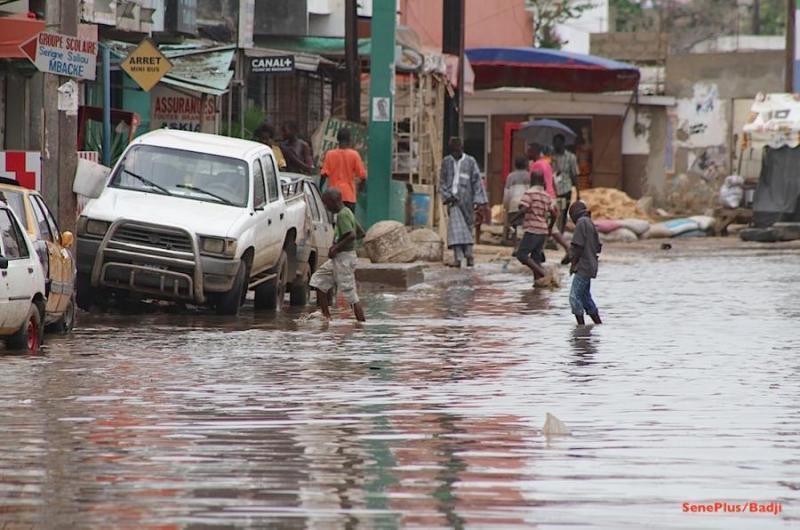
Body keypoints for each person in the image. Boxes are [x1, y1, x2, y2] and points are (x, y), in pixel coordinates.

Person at [310, 188, 366, 322]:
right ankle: (326, 317)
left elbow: (352, 235)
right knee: (318, 281)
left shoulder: (342, 215)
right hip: (339, 258)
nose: (326, 207)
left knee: (350, 294)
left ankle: (361, 324)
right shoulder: (347, 212)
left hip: (344, 259)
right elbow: (360, 232)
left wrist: (336, 248)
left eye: (326, 204)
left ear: (332, 202)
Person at [439, 137, 488, 268]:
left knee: (467, 227)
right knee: (455, 229)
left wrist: (479, 201)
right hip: (453, 200)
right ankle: (458, 258)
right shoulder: (446, 162)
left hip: (468, 200)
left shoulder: (470, 162)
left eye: (457, 150)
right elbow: (442, 181)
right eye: (453, 150)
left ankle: (469, 254)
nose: (455, 153)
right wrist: (447, 196)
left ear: (461, 148)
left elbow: (477, 182)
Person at [516, 169, 559, 287]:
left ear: (532, 180)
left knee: (522, 255)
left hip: (532, 230)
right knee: (536, 259)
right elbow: (554, 214)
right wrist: (550, 227)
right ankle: (538, 286)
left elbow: (524, 209)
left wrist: (513, 219)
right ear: (543, 182)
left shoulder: (529, 193)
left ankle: (544, 274)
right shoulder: (546, 196)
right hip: (543, 231)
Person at [568, 200, 602, 326]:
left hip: (583, 266)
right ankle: (598, 324)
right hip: (591, 266)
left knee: (574, 297)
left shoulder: (581, 222)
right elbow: (597, 247)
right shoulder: (589, 223)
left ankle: (580, 327)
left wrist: (573, 264)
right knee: (585, 297)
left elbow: (579, 246)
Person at [320, 128, 366, 212]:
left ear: (337, 139)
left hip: (332, 197)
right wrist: (359, 190)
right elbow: (363, 176)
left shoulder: (330, 154)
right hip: (349, 197)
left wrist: (320, 190)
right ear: (349, 140)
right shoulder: (354, 155)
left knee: (332, 223)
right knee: (347, 221)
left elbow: (324, 175)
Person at [552, 133, 580, 233]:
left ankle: (561, 231)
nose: (556, 146)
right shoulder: (552, 157)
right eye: (554, 143)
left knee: (563, 211)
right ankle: (553, 231)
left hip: (566, 188)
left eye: (558, 143)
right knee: (554, 211)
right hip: (553, 188)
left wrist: (578, 192)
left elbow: (575, 174)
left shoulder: (571, 157)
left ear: (563, 143)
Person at [503, 156, 531, 244]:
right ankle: (524, 244)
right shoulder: (529, 176)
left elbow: (507, 193)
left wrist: (506, 206)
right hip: (525, 204)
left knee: (513, 225)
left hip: (513, 203)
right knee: (525, 226)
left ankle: (515, 246)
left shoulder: (510, 176)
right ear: (526, 165)